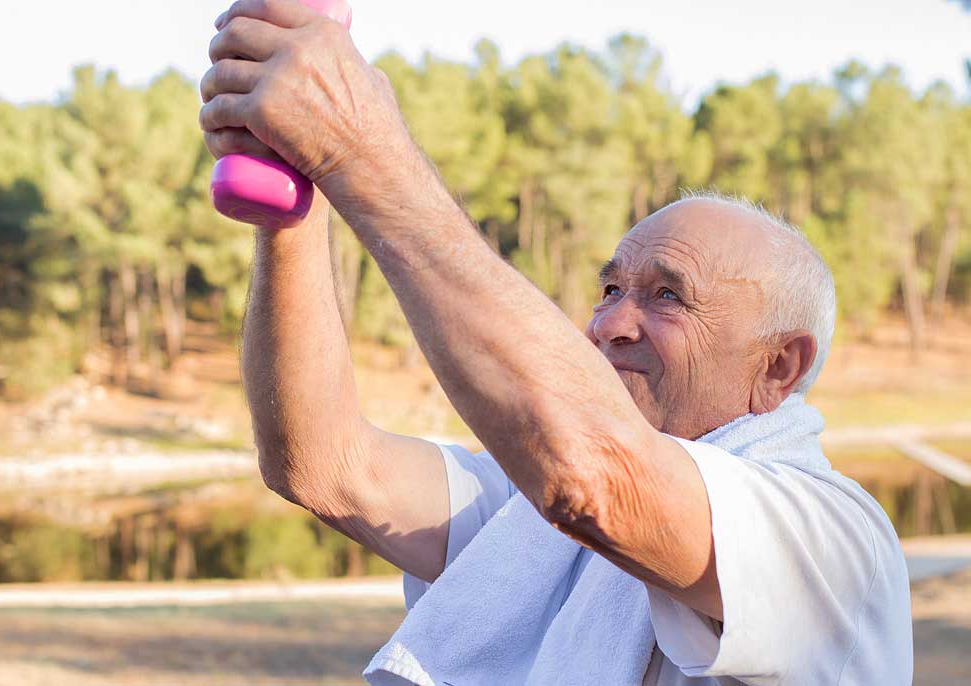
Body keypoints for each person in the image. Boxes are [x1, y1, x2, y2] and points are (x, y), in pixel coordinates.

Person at [199, 1, 913, 683]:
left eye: (668, 296)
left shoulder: (831, 539)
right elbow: (323, 462)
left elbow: (597, 480)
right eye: (609, 291)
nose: (610, 324)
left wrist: (360, 148)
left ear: (778, 367)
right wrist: (290, 194)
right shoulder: (527, 518)